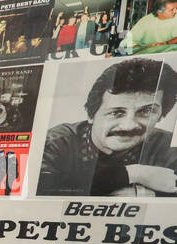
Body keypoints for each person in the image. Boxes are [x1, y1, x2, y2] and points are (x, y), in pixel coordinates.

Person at [39, 57, 177, 196]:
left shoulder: (168, 147)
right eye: (116, 112)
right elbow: (42, 189)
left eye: (146, 111)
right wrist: (134, 174)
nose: (129, 125)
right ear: (91, 115)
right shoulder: (56, 142)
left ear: (160, 115)